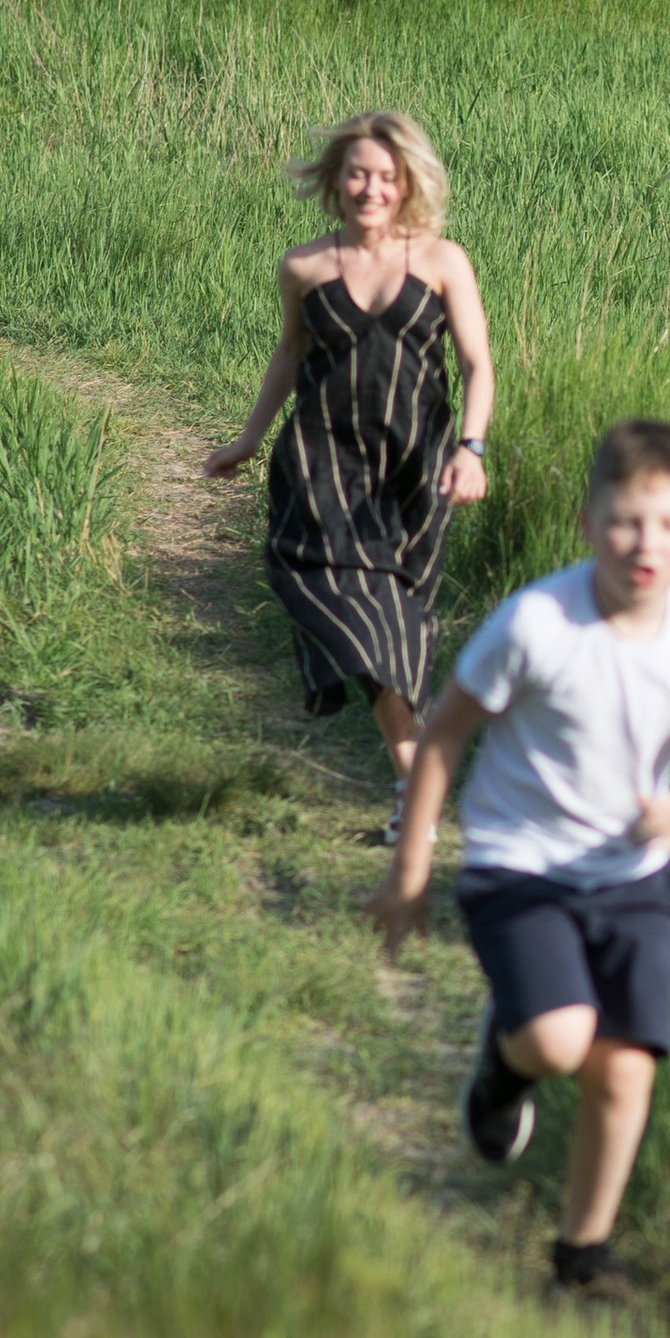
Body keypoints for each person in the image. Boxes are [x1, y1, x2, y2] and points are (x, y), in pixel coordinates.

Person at [371, 418, 670, 1306]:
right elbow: (445, 739)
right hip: (520, 861)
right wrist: (411, 873)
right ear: (586, 523)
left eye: (665, 523)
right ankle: (505, 1060)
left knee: (625, 1068)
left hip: (632, 876)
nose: (643, 543)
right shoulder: (538, 621)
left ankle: (583, 1251)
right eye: (623, 520)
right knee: (559, 1037)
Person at [204, 111, 494, 833]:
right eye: (359, 173)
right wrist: (247, 438)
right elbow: (290, 355)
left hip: (415, 470)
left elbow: (477, 365)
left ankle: (414, 785)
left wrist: (471, 447)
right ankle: (417, 785)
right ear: (336, 178)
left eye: (387, 176)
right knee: (355, 615)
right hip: (322, 466)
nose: (371, 187)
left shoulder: (442, 261)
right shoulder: (304, 267)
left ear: (408, 185)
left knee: (397, 627)